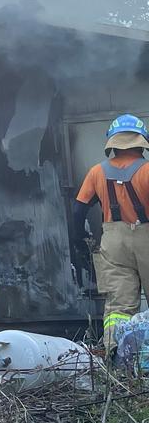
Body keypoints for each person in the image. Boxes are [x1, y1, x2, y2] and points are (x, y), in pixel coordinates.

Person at [73, 114, 149, 353]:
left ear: (112, 143)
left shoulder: (97, 172)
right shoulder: (147, 171)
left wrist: (78, 240)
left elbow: (78, 210)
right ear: (141, 141)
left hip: (113, 242)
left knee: (119, 306)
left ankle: (116, 355)